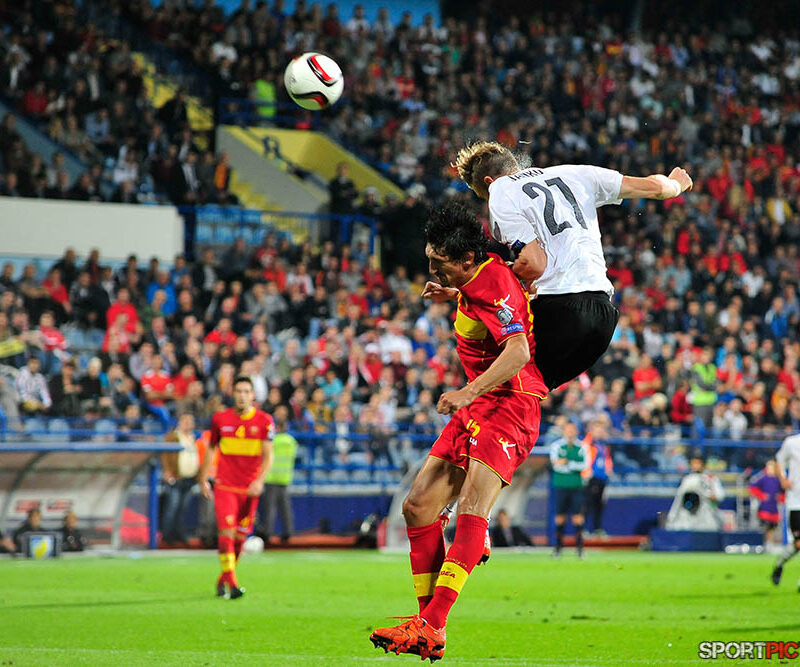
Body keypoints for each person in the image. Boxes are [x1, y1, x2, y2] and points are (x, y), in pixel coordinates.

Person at [369, 202, 547, 661]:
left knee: (471, 507)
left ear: (467, 258)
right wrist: (454, 292)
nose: (432, 269)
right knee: (417, 506)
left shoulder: (495, 283)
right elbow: (487, 300)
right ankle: (427, 624)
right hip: (480, 406)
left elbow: (518, 351)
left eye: (439, 262)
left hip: (510, 404)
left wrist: (468, 391)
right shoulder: (475, 277)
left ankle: (432, 624)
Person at [452, 141, 692, 391]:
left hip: (560, 310)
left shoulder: (501, 190)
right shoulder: (575, 172)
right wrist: (675, 184)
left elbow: (533, 264)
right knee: (527, 393)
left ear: (489, 182)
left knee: (492, 379)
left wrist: (486, 281)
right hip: (602, 318)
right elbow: (657, 188)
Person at [198, 377, 274, 599]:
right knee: (226, 533)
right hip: (225, 485)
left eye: (246, 391)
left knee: (240, 539)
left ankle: (223, 579)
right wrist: (203, 478)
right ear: (233, 394)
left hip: (249, 489)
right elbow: (211, 449)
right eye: (238, 391)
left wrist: (259, 481)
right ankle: (233, 585)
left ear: (253, 395)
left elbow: (269, 455)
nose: (242, 395)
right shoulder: (220, 419)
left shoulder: (264, 421)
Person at [255, 404, 298, 544]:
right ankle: (288, 532)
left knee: (270, 509)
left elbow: (263, 454)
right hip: (284, 478)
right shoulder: (291, 441)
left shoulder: (272, 441)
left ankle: (267, 533)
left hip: (271, 477)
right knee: (285, 508)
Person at [161, 414, 200, 545]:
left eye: (190, 421)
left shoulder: (193, 437)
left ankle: (180, 534)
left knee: (183, 509)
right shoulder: (173, 436)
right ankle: (167, 536)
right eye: (185, 421)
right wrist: (167, 471)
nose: (188, 424)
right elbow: (165, 455)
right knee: (172, 507)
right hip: (176, 477)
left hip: (190, 478)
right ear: (179, 422)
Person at [550, 421, 587, 558]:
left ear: (576, 431)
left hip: (576, 486)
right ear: (564, 431)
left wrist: (568, 463)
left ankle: (580, 549)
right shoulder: (557, 446)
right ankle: (558, 548)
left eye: (572, 430)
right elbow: (556, 465)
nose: (570, 432)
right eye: (568, 430)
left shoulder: (582, 446)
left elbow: (584, 465)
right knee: (560, 517)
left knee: (578, 517)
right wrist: (571, 466)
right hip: (561, 486)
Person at [665, 451, 725, 531]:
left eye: (698, 463)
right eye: (693, 463)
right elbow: (679, 499)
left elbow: (719, 496)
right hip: (688, 517)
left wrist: (708, 495)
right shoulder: (687, 479)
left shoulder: (710, 479)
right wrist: (672, 517)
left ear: (703, 464)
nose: (695, 466)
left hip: (706, 516)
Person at [772, 433, 800, 587]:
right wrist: (783, 479)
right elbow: (778, 461)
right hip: (796, 501)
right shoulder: (792, 442)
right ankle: (779, 564)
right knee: (798, 544)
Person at [583, 417, 614, 536]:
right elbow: (585, 459)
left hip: (602, 478)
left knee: (599, 505)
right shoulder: (588, 443)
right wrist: (587, 473)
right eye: (597, 429)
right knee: (587, 504)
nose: (600, 431)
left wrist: (609, 469)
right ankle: (584, 529)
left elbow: (607, 459)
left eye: (601, 429)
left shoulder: (603, 445)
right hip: (591, 478)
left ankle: (597, 529)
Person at [749, 460, 783, 551]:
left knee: (773, 527)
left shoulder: (778, 479)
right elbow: (752, 487)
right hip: (765, 508)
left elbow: (783, 491)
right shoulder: (763, 478)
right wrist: (761, 495)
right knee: (766, 528)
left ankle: (771, 544)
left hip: (775, 508)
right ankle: (766, 544)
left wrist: (780, 498)